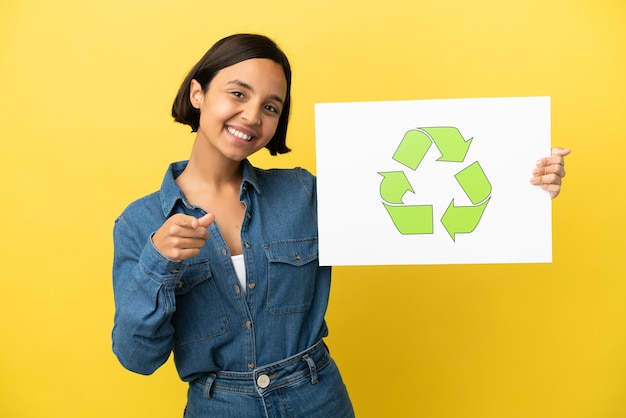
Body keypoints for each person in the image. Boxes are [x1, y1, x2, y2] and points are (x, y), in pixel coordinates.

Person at [111, 33, 570, 418]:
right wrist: (158, 262)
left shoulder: (304, 193)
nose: (252, 116)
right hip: (219, 406)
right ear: (198, 94)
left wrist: (525, 182)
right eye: (237, 93)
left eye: (271, 107)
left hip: (317, 398)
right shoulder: (140, 224)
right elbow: (137, 358)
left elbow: (420, 195)